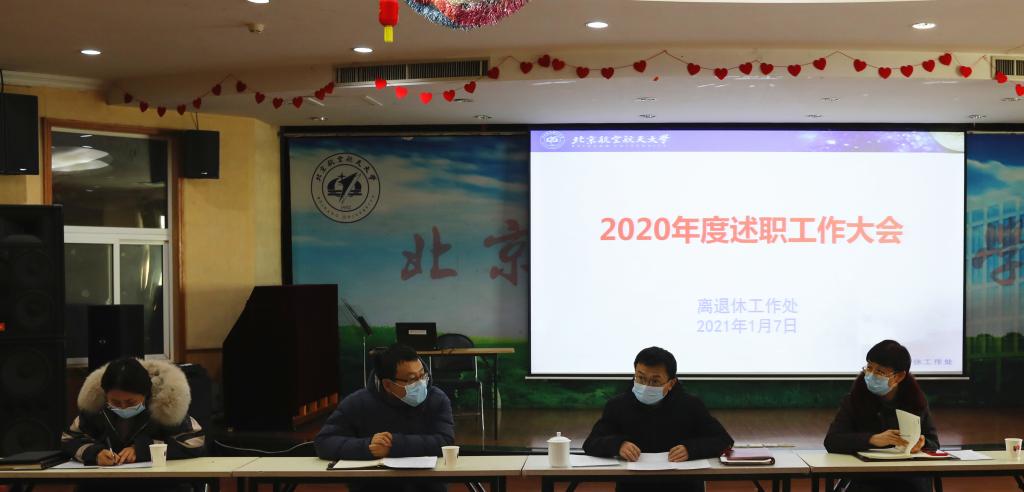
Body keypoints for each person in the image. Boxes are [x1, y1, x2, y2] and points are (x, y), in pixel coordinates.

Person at [583, 346, 734, 492]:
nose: (645, 386)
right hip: (633, 487)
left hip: (682, 486)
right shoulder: (617, 405)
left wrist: (691, 449)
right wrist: (617, 445)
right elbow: (590, 443)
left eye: (655, 381)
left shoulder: (690, 405)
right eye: (640, 378)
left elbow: (724, 440)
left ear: (671, 383)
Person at [315, 343, 455, 492]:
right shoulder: (358, 402)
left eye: (423, 375)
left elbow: (445, 441)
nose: (421, 383)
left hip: (426, 487)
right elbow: (324, 442)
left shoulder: (436, 399)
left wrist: (394, 446)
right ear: (387, 385)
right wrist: (367, 447)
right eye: (412, 379)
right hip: (373, 487)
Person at [61, 357, 206, 491]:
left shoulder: (165, 408)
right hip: (105, 485)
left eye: (131, 402)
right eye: (115, 402)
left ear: (146, 393)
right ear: (105, 395)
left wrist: (143, 449)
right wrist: (94, 453)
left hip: (157, 486)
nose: (123, 407)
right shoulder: (96, 408)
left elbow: (194, 441)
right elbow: (69, 439)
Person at [824, 339, 940, 492]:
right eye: (869, 367)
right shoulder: (855, 399)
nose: (871, 375)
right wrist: (871, 439)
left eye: (879, 371)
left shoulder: (915, 400)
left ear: (899, 376)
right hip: (867, 479)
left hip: (908, 480)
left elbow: (934, 443)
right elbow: (832, 440)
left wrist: (922, 444)